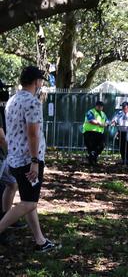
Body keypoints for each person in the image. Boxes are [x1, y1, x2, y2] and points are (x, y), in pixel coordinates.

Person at [0, 66, 59, 251]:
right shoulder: (33, 102)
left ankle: (40, 241)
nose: (41, 83)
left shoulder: (12, 100)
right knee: (29, 202)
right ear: (36, 81)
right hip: (28, 161)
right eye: (41, 80)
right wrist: (34, 162)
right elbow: (32, 133)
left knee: (28, 200)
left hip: (14, 158)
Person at [111, 102, 128, 166]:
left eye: (125, 106)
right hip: (121, 131)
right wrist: (113, 122)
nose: (123, 108)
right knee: (122, 146)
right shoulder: (119, 113)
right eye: (122, 107)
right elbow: (114, 120)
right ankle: (124, 159)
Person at [82, 100, 108, 165]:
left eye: (101, 106)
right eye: (98, 106)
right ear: (96, 106)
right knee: (91, 148)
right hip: (90, 132)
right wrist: (100, 124)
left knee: (102, 145)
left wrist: (106, 124)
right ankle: (92, 162)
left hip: (99, 133)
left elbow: (107, 121)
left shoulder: (103, 114)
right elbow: (91, 120)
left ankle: (92, 158)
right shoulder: (90, 112)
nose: (100, 107)